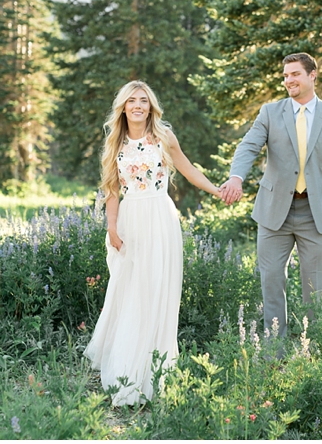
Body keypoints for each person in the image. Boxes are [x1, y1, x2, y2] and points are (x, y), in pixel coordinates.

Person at [84, 80, 222, 407]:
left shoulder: (163, 137)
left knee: (160, 292)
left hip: (161, 218)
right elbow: (112, 191)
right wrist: (112, 227)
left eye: (143, 100)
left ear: (150, 106)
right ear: (123, 107)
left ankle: (156, 374)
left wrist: (217, 191)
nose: (137, 105)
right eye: (131, 100)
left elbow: (188, 170)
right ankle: (127, 374)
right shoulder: (115, 144)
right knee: (131, 293)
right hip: (130, 223)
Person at [220, 52, 322, 341]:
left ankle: (315, 353)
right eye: (285, 76)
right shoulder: (270, 113)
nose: (288, 80)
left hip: (316, 214)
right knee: (271, 283)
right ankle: (274, 352)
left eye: (294, 74)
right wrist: (236, 176)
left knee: (316, 288)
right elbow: (248, 147)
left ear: (312, 75)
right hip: (273, 214)